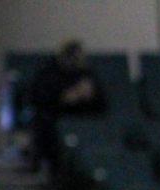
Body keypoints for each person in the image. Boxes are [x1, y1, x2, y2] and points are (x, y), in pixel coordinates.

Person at [29, 40, 106, 172]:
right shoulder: (49, 74)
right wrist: (65, 98)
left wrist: (89, 96)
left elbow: (102, 104)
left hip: (83, 119)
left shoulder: (86, 75)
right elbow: (40, 99)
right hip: (56, 119)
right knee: (47, 125)